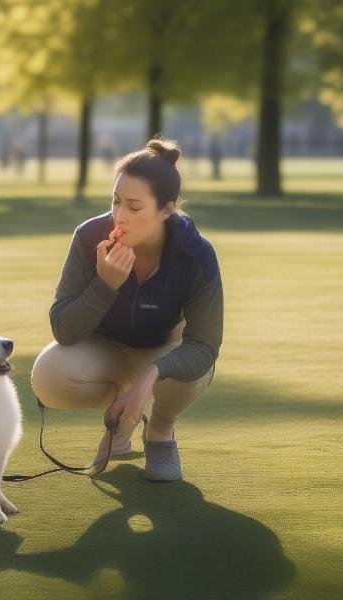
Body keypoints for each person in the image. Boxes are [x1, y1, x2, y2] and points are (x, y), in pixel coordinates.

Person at [30, 136, 223, 482]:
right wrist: (105, 285)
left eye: (134, 207)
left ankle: (160, 429)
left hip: (165, 350)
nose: (119, 216)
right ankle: (121, 416)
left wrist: (151, 374)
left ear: (166, 209)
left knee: (190, 371)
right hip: (106, 350)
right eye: (116, 201)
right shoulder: (89, 237)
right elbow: (64, 328)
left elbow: (205, 346)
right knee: (48, 376)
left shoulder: (196, 254)